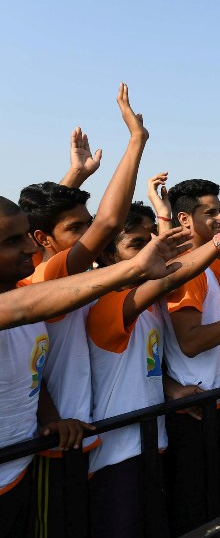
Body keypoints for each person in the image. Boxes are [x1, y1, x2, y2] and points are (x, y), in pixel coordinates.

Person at [0, 195, 192, 538]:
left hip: (37, 457)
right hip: (56, 456)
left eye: (27, 235)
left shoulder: (32, 299)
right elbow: (107, 224)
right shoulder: (37, 293)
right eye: (13, 241)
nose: (29, 247)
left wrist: (50, 416)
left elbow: (28, 377)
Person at [87, 203, 220, 538]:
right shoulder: (111, 304)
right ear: (109, 257)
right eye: (136, 245)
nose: (149, 252)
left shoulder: (150, 307)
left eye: (151, 241)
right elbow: (174, 283)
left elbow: (146, 363)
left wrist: (172, 388)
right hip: (117, 454)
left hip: (152, 439)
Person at [18, 83, 149, 537]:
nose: (90, 236)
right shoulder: (49, 278)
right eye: (79, 230)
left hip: (75, 432)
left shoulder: (60, 271)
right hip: (51, 442)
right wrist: (136, 141)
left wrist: (73, 178)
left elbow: (46, 223)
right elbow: (107, 223)